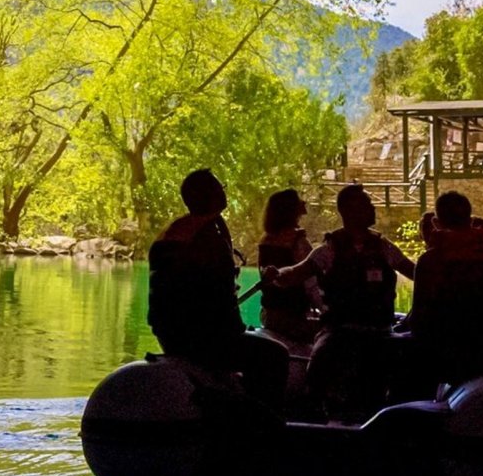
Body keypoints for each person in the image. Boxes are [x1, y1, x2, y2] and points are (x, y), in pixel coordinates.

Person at [263, 184, 416, 420]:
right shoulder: (330, 249)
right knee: (320, 361)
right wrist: (277, 275)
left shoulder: (384, 248)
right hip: (341, 330)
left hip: (381, 331)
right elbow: (296, 272)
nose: (372, 207)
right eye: (366, 203)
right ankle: (313, 413)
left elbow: (416, 273)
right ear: (349, 211)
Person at [148, 169, 288, 407]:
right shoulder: (206, 239)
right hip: (200, 340)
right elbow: (217, 299)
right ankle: (261, 418)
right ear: (208, 195)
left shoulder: (174, 231)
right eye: (219, 187)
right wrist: (234, 332)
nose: (223, 191)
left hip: (171, 335)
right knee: (275, 356)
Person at [408, 191, 483, 390]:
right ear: (470, 217)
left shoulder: (430, 260)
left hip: (447, 356)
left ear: (436, 222)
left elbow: (419, 319)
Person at [255, 189, 320, 345]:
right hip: (293, 317)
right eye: (298, 200)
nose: (303, 202)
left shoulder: (266, 241)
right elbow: (312, 281)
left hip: (269, 314)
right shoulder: (297, 242)